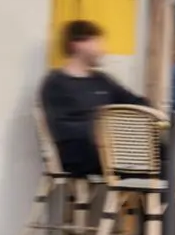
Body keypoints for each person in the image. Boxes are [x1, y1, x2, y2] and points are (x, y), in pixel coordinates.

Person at [40, 20, 151, 177]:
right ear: (77, 44)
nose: (103, 50)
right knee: (151, 157)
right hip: (80, 153)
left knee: (163, 150)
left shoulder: (102, 80)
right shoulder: (56, 83)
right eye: (97, 42)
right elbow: (62, 128)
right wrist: (105, 132)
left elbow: (136, 102)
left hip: (109, 148)